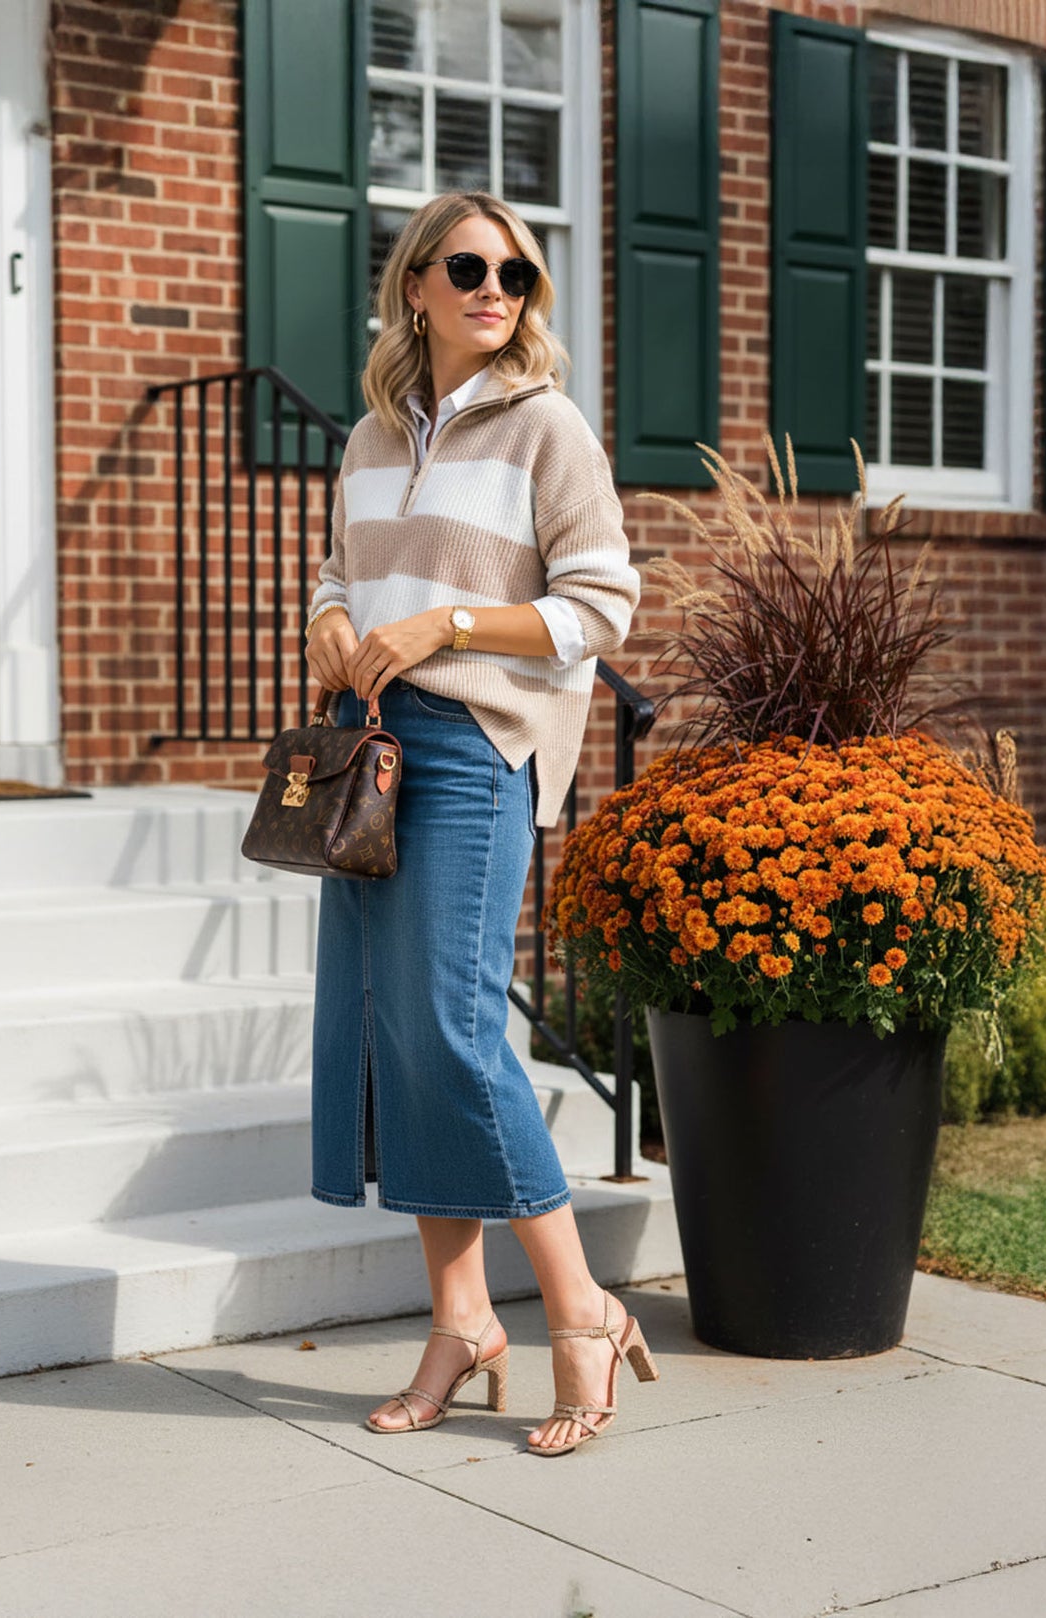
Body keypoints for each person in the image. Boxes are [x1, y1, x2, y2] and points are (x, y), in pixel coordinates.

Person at [302, 191, 657, 1457]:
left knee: (454, 1030)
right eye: (466, 268)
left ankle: (580, 1306)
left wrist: (444, 624)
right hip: (369, 750)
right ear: (416, 286)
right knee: (389, 1031)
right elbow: (342, 572)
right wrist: (331, 620)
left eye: (514, 273)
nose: (493, 290)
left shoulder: (543, 426)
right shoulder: (368, 436)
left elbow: (599, 604)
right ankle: (460, 1321)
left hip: (472, 747)